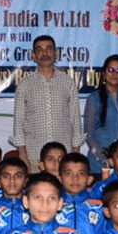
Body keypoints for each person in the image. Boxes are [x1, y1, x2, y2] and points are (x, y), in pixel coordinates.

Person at [12, 35, 85, 172]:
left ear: (55, 53)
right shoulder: (25, 84)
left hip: (64, 156)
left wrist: (75, 152)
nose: (44, 54)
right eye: (39, 50)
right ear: (33, 55)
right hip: (34, 156)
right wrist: (22, 154)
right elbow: (19, 122)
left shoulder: (67, 82)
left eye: (48, 49)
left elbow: (75, 119)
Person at [56, 152, 105, 234]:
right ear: (60, 178)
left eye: (81, 173)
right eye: (68, 173)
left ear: (89, 179)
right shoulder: (53, 206)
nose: (75, 178)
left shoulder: (98, 207)